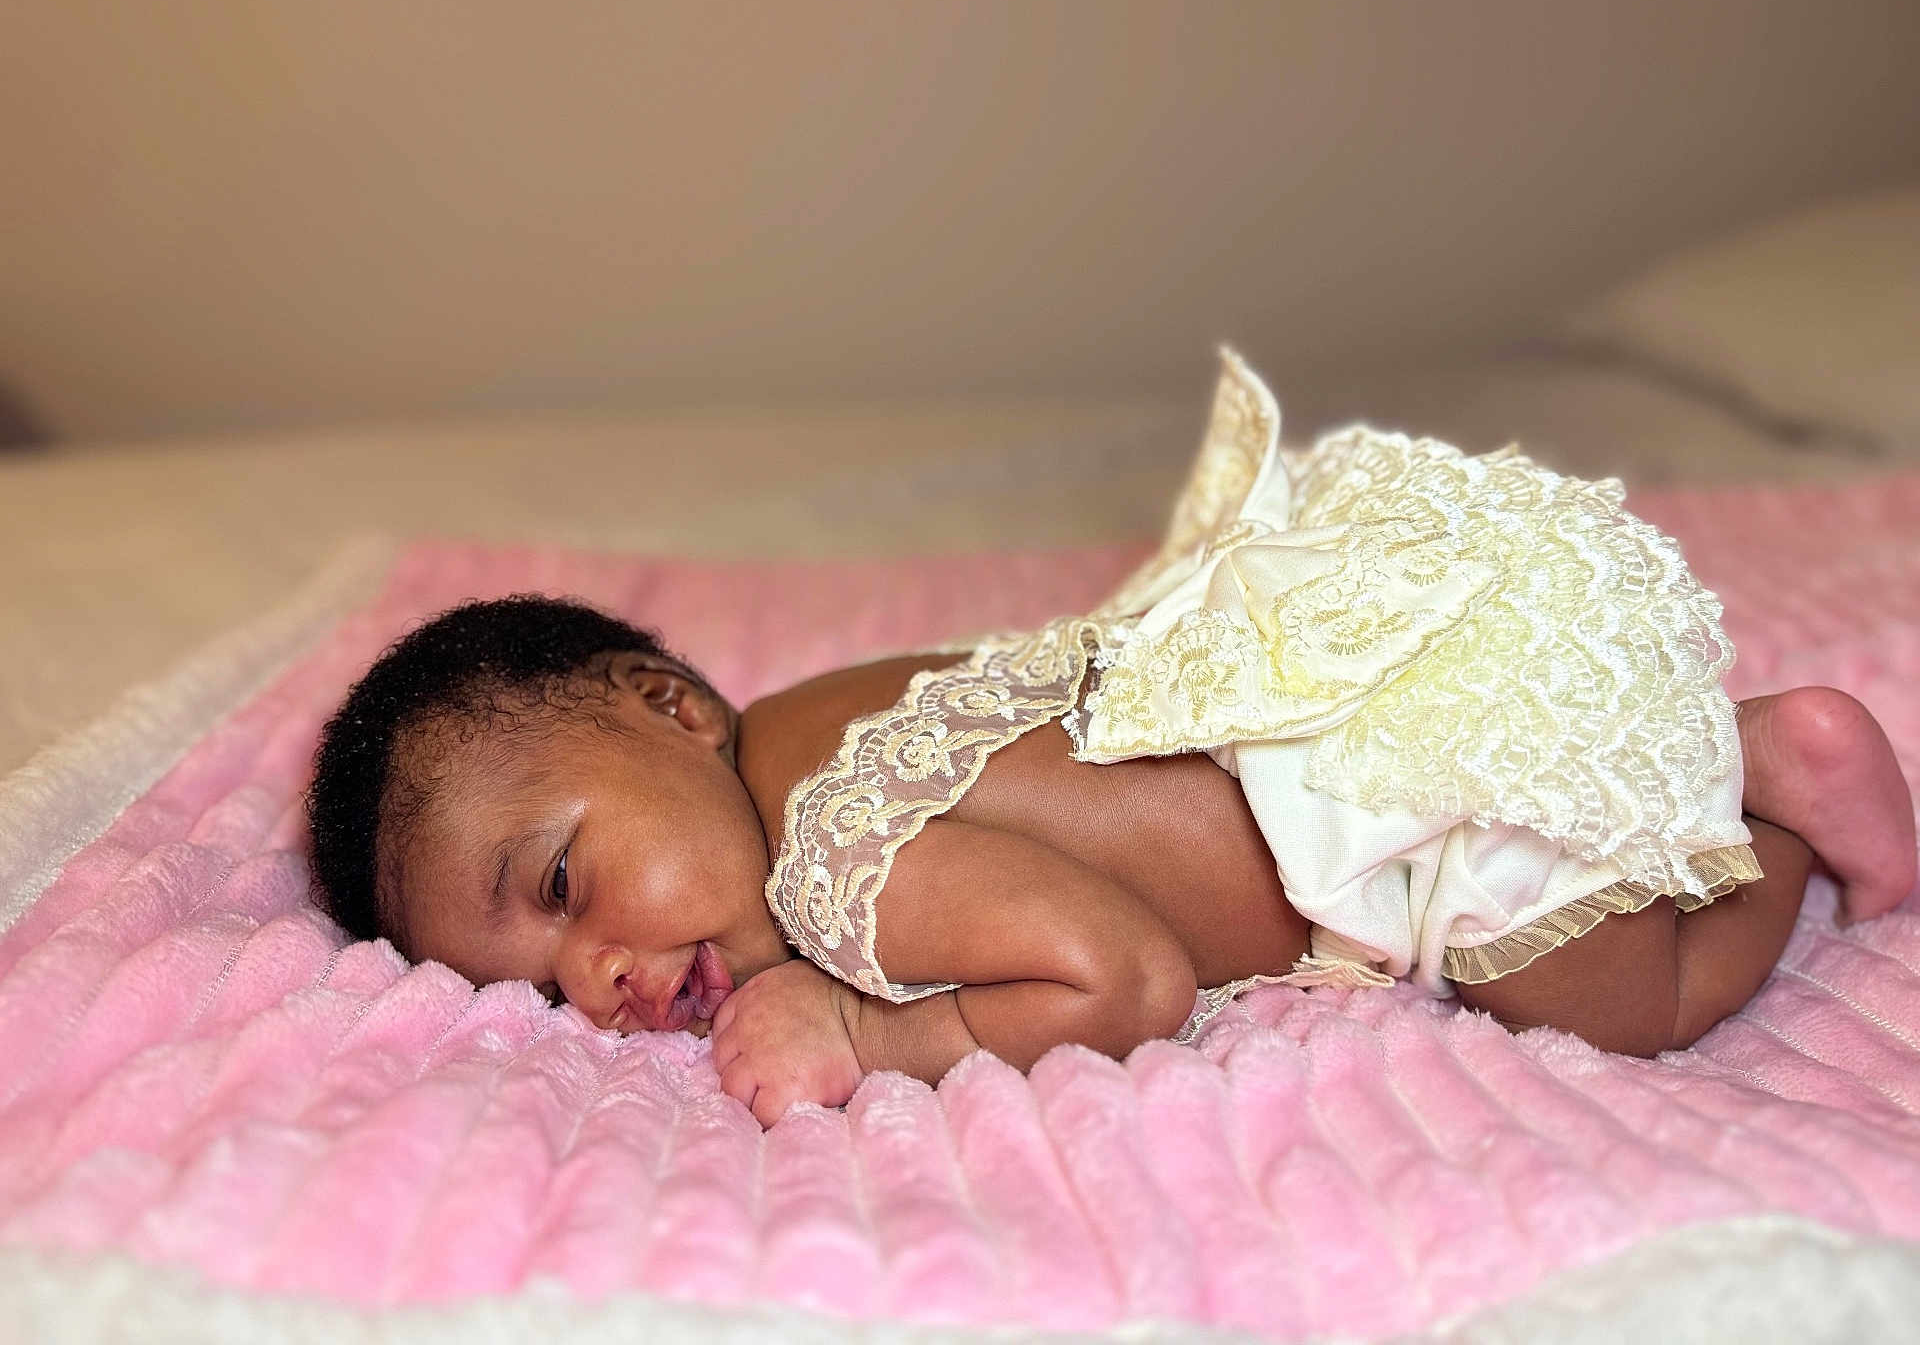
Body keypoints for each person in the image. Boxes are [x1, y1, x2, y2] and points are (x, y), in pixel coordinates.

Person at [306, 351, 1916, 1127]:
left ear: (674, 709)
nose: (595, 976)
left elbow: (1122, 978)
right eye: (541, 985)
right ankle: (1725, 748)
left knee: (1620, 1006)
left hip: (1418, 798)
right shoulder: (813, 725)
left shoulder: (836, 856)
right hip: (1356, 675)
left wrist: (869, 1036)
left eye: (563, 884)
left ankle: (1770, 805)